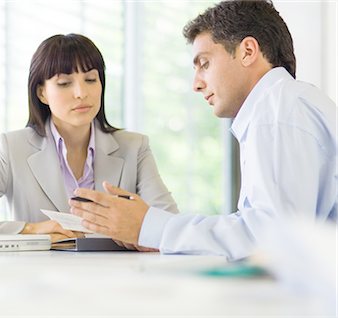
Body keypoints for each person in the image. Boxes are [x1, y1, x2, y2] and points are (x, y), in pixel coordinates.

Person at [69, 0, 337, 260]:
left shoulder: (277, 112)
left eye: (205, 63)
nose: (196, 84)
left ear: (247, 51)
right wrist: (153, 234)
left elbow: (272, 240)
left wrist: (150, 228)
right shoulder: (286, 104)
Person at [0, 33, 178, 243]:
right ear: (42, 93)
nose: (81, 93)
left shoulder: (134, 148)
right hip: (39, 289)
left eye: (91, 79)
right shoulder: (13, 149)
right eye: (65, 83)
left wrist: (136, 233)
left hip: (117, 287)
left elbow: (171, 229)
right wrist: (30, 230)